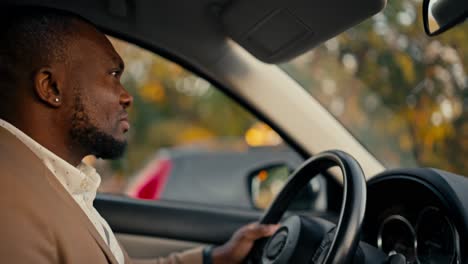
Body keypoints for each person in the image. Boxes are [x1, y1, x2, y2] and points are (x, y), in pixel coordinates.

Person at [0, 5, 278, 264]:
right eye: (112, 74)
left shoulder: (57, 179)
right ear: (51, 87)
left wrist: (214, 258)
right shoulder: (9, 201)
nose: (126, 96)